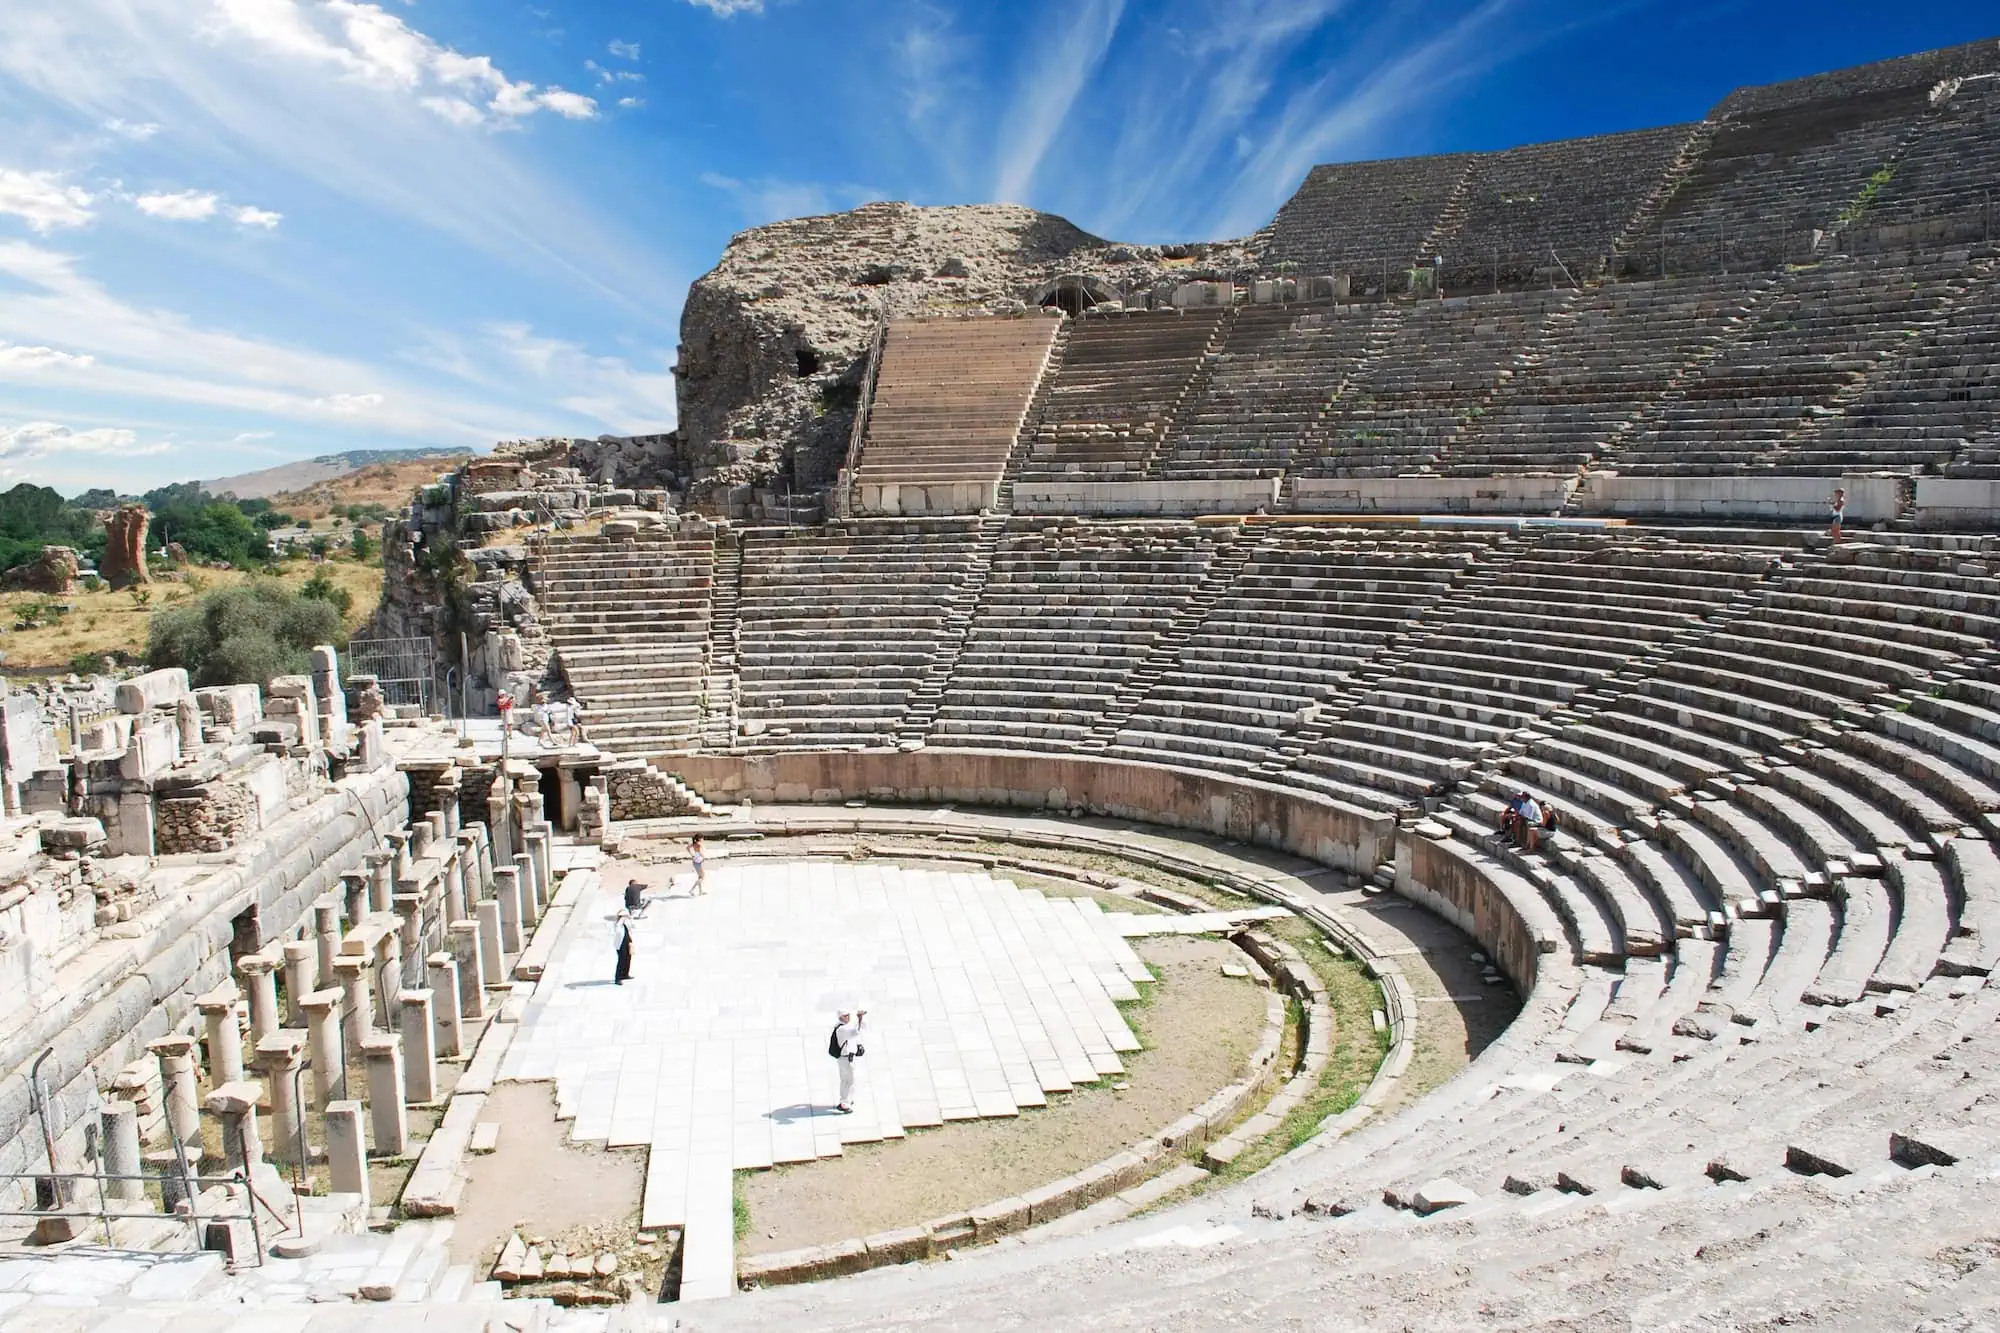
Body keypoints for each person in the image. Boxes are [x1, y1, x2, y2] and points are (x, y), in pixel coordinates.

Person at [831, 1008, 867, 1113]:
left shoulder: (842, 1027)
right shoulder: (842, 1029)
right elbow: (856, 1032)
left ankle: (845, 1100)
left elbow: (860, 1029)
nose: (847, 1017)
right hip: (846, 1059)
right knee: (850, 1081)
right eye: (845, 1015)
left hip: (845, 1059)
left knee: (845, 1081)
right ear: (840, 1017)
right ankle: (845, 1103)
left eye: (848, 1015)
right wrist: (860, 1019)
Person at [612, 910, 634, 985]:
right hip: (620, 945)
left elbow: (633, 926)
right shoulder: (618, 924)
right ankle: (618, 978)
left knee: (628, 959)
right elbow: (617, 930)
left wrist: (629, 919)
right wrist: (621, 920)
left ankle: (625, 974)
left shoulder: (626, 923)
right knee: (621, 961)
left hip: (627, 943)